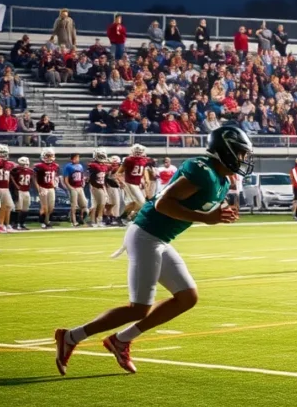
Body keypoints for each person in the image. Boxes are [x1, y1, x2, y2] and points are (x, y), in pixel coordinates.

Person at [54, 125, 252, 375]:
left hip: (161, 239)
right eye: (241, 153)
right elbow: (162, 204)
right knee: (138, 308)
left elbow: (196, 207)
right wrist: (207, 218)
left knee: (187, 298)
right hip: (146, 234)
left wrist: (216, 214)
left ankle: (121, 340)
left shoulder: (221, 179)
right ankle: (71, 337)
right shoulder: (203, 171)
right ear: (227, 151)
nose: (243, 159)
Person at [120, 143, 152, 221]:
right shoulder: (128, 160)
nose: (138, 153)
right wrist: (121, 181)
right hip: (130, 183)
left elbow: (143, 169)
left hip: (137, 183)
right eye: (137, 151)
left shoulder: (144, 160)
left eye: (139, 151)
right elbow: (119, 172)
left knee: (136, 203)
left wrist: (146, 178)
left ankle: (126, 217)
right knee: (142, 203)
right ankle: (128, 217)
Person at [0, 144, 16, 233]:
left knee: (7, 206)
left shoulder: (9, 164)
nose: (2, 155)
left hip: (5, 187)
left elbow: (14, 167)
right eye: (0, 153)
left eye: (4, 153)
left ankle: (4, 224)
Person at [35, 148, 60, 229]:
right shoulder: (39, 166)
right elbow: (34, 177)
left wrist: (56, 183)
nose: (49, 157)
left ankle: (47, 221)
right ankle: (42, 222)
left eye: (51, 155)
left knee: (51, 207)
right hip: (43, 187)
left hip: (51, 187)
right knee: (44, 207)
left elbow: (55, 175)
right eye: (48, 155)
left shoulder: (55, 165)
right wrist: (38, 187)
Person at [60, 153, 87, 227]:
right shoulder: (68, 166)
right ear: (72, 159)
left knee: (83, 205)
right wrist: (70, 187)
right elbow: (66, 179)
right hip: (73, 187)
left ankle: (81, 218)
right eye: (76, 158)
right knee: (74, 206)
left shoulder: (80, 166)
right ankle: (73, 221)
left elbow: (82, 176)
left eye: (78, 157)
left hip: (80, 187)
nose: (78, 159)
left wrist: (83, 183)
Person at [87, 149, 112, 226]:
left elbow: (105, 177)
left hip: (101, 185)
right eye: (100, 156)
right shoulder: (93, 165)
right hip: (94, 185)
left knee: (100, 203)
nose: (102, 157)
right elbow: (89, 176)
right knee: (98, 203)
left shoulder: (105, 166)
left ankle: (95, 220)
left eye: (102, 156)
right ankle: (96, 220)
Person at [10, 156, 35, 231]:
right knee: (18, 208)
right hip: (19, 190)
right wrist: (16, 186)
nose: (25, 166)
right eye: (24, 164)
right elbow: (11, 176)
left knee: (25, 208)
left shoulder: (30, 171)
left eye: (27, 164)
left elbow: (31, 179)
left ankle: (22, 223)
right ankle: (15, 224)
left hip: (26, 190)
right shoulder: (16, 170)